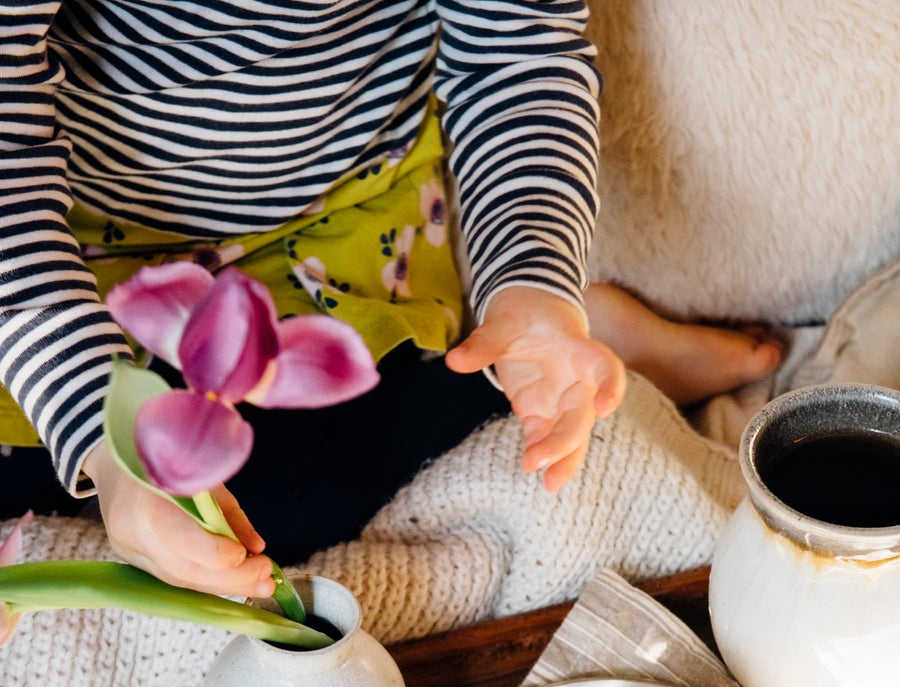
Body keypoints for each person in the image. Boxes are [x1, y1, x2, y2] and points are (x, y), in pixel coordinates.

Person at [0, 2, 779, 610]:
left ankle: (560, 341)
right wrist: (102, 445)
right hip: (78, 236)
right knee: (73, 481)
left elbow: (517, 56)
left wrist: (533, 283)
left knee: (263, 512)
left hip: (337, 223)